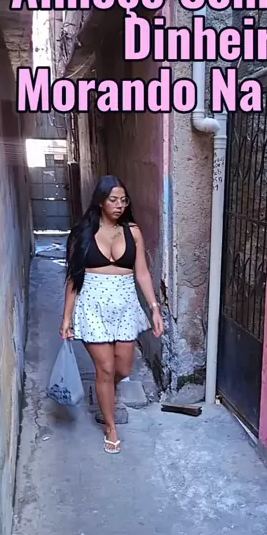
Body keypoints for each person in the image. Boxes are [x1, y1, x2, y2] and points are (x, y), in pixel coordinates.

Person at [60, 175, 164, 454]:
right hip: (92, 307)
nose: (119, 205)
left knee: (123, 368)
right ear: (101, 201)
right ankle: (110, 426)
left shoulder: (133, 232)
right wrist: (67, 317)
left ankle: (107, 390)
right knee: (105, 369)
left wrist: (154, 308)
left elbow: (142, 273)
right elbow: (73, 278)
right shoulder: (83, 233)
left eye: (123, 200)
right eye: (113, 200)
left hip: (125, 306)